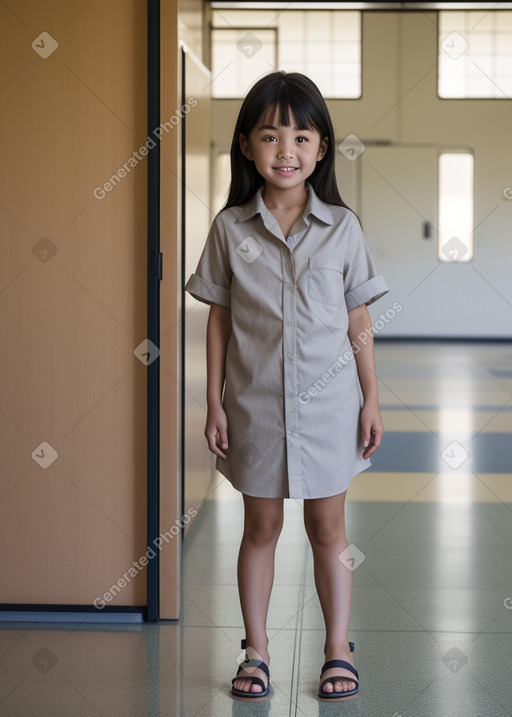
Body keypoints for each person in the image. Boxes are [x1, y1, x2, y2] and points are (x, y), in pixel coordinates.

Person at [185, 70, 388, 702]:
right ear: (246, 145)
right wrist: (214, 400)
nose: (286, 151)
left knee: (329, 530)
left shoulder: (343, 228)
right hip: (255, 408)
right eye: (271, 136)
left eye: (302, 137)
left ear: (322, 148)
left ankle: (336, 649)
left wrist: (371, 398)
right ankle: (257, 652)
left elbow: (358, 319)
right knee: (260, 528)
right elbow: (219, 317)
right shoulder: (230, 229)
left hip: (330, 407)